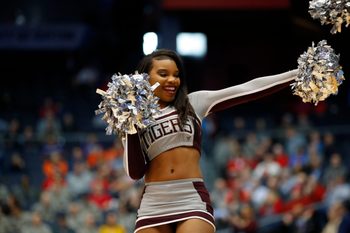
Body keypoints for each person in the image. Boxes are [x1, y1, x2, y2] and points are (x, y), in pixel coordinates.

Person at [121, 48, 298, 233]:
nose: (172, 80)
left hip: (190, 198)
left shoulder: (194, 103)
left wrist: (294, 75)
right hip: (153, 203)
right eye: (163, 74)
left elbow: (248, 89)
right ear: (144, 79)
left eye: (176, 75)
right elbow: (135, 172)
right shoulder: (133, 119)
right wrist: (131, 125)